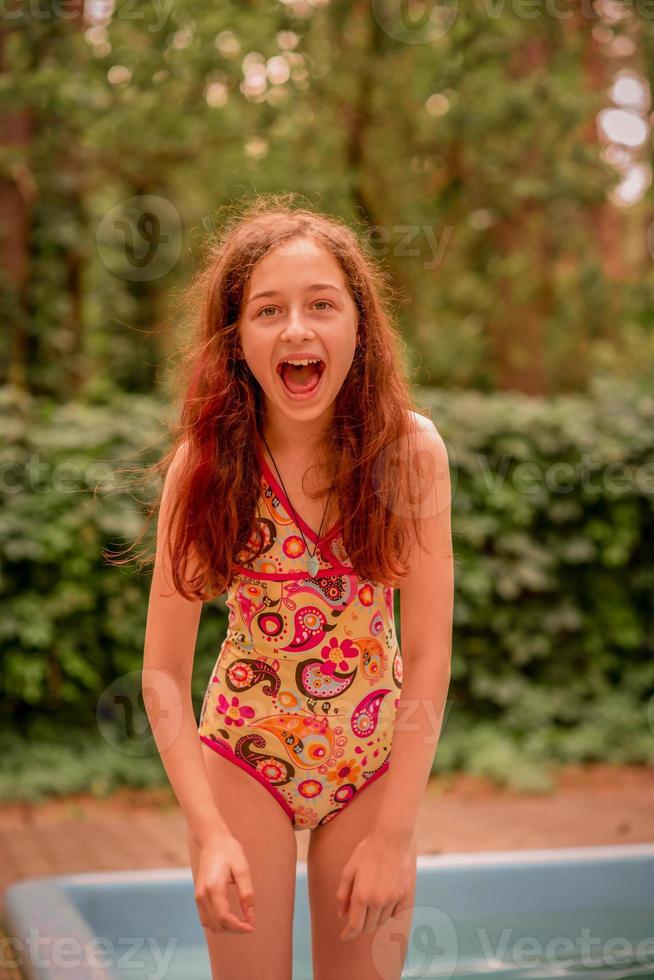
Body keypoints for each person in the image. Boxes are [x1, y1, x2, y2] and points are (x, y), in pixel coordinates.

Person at [141, 197, 454, 980]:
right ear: (237, 338)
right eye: (267, 311)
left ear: (360, 326)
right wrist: (209, 833)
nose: (297, 330)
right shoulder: (206, 465)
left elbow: (428, 654)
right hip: (246, 761)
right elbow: (160, 675)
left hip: (371, 770)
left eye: (322, 305)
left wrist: (395, 836)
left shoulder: (409, 453)